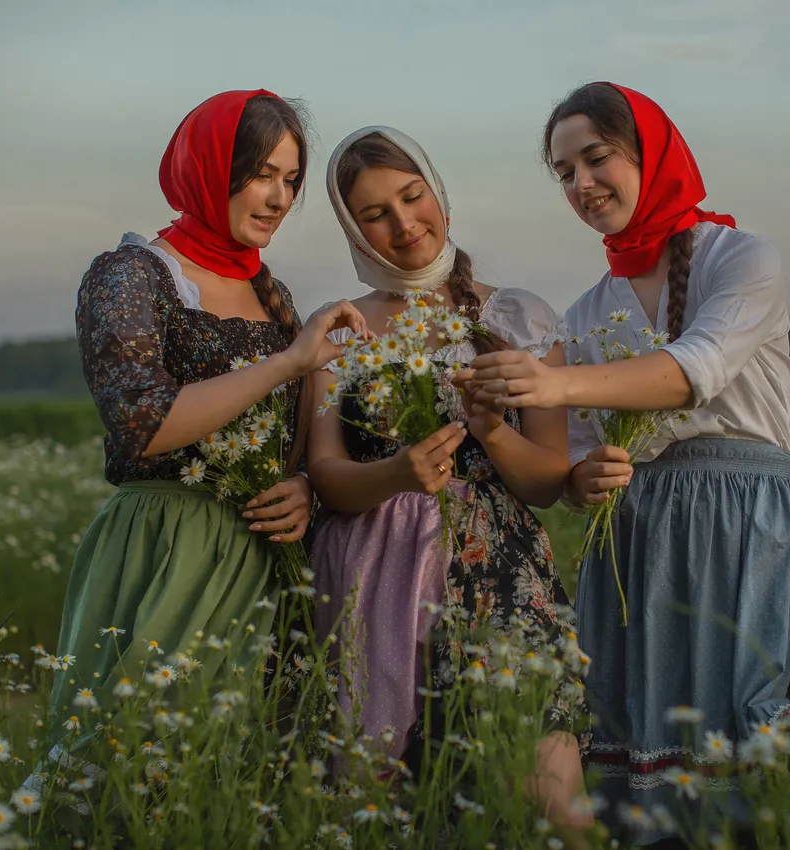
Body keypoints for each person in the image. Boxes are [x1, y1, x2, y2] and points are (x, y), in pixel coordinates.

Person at [468, 82, 790, 841]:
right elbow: (571, 462)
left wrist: (557, 380)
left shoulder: (741, 257)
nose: (581, 185)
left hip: (747, 525)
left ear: (650, 153)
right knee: (651, 740)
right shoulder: (587, 310)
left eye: (596, 159)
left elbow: (694, 365)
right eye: (564, 173)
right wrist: (582, 476)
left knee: (757, 723)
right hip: (641, 544)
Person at [45, 89, 366, 761]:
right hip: (167, 549)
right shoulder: (131, 275)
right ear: (206, 168)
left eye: (291, 180)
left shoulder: (269, 292)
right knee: (134, 765)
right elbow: (142, 422)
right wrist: (287, 363)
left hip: (265, 560)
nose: (278, 198)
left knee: (252, 777)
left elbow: (296, 440)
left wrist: (304, 485)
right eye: (259, 174)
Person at [306, 126, 591, 831]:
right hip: (376, 576)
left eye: (411, 196)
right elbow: (326, 475)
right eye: (376, 213)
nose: (404, 224)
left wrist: (491, 431)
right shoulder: (340, 331)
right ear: (353, 229)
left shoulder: (517, 317)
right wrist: (396, 474)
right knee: (392, 807)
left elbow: (548, 480)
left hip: (501, 571)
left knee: (553, 804)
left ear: (438, 193)